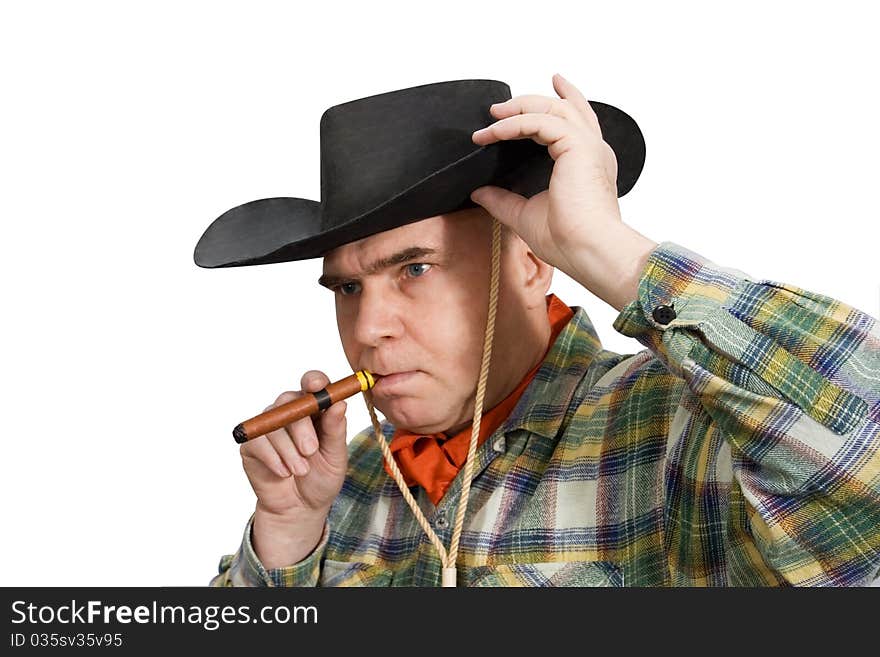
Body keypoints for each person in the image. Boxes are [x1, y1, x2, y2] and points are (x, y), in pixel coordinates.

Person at [195, 75, 880, 587]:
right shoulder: (343, 480)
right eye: (348, 287)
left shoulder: (673, 423)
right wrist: (286, 534)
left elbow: (864, 464)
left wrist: (608, 249)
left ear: (529, 259)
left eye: (415, 268)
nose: (368, 328)